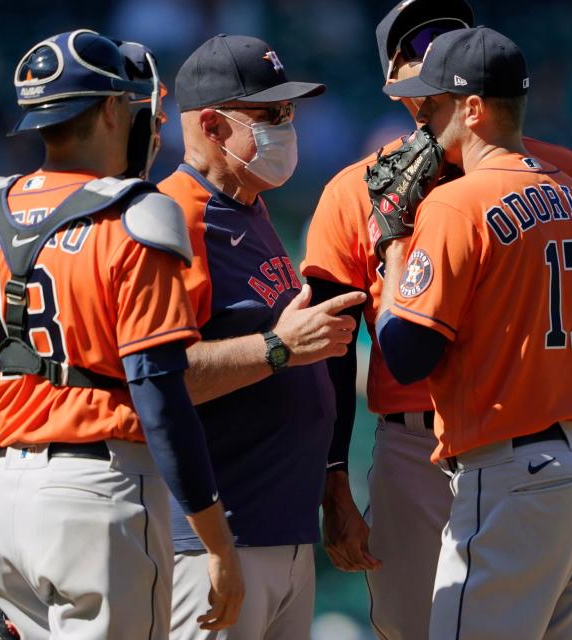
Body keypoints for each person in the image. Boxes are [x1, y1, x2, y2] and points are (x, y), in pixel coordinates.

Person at [301, 2, 572, 638]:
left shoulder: (548, 172)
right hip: (428, 448)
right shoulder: (352, 189)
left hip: (511, 451)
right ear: (397, 87)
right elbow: (331, 345)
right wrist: (333, 478)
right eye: (416, 56)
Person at [0, 29, 242, 639]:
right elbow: (161, 399)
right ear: (109, 110)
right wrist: (216, 542)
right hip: (101, 497)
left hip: (4, 506)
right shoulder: (131, 221)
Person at [376, 26, 572, 639]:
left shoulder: (455, 204)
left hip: (516, 481)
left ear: (472, 109)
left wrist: (392, 242)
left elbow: (405, 356)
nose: (424, 122)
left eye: (434, 104)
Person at [157, 34, 366, 640]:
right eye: (269, 114)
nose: (286, 126)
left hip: (285, 529)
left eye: (289, 112)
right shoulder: (174, 215)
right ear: (212, 127)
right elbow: (162, 378)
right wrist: (279, 348)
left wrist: (332, 487)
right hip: (216, 541)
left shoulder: (248, 208)